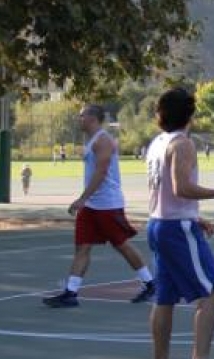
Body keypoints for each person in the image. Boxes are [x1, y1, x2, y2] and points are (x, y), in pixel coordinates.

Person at [146, 87, 214, 359]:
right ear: (190, 114)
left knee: (164, 298)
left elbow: (166, 190)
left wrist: (193, 215)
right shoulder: (182, 144)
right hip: (176, 228)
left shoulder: (157, 143)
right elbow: (181, 187)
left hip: (159, 223)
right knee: (211, 292)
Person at [42, 104, 155, 308]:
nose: (79, 119)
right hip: (92, 205)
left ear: (92, 118)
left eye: (81, 115)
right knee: (82, 247)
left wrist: (82, 198)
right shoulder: (92, 140)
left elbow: (101, 173)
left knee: (121, 244)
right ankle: (71, 293)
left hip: (107, 204)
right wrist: (86, 201)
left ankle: (150, 283)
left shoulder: (103, 141)